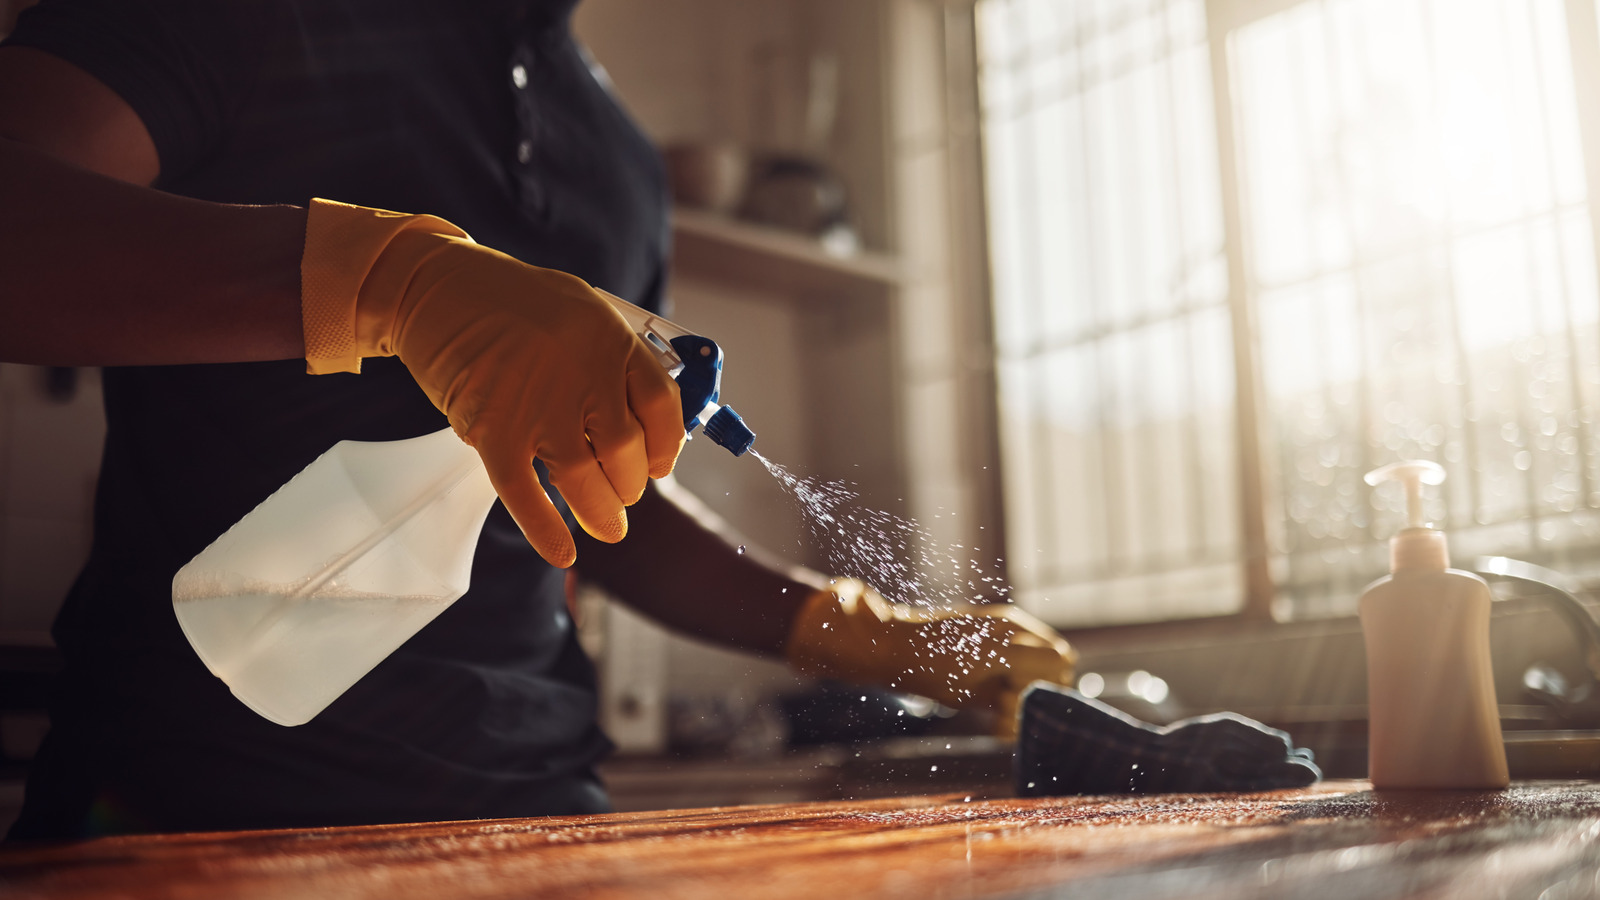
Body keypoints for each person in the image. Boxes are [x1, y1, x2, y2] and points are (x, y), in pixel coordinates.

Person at [0, 0, 1076, 839]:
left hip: (535, 806)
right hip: (190, 805)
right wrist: (390, 283)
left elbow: (603, 493)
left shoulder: (618, 157)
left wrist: (863, 634)